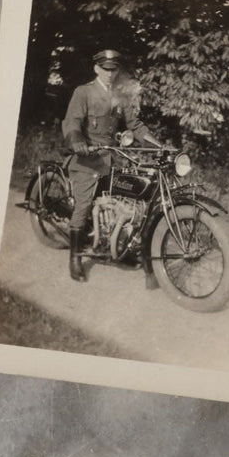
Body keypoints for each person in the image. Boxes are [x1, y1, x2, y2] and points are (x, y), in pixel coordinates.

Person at [62, 49, 161, 282]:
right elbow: (72, 122)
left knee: (128, 202)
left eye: (113, 69)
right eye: (105, 69)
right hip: (85, 158)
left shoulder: (120, 96)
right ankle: (75, 257)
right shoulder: (84, 92)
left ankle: (121, 245)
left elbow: (135, 126)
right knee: (84, 204)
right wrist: (78, 142)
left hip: (109, 159)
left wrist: (160, 145)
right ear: (96, 68)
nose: (109, 73)